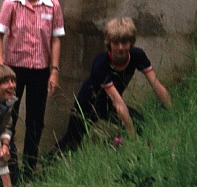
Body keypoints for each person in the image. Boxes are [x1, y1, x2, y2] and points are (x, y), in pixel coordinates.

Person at [0, 0, 65, 183]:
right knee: (8, 119)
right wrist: (1, 66)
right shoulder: (11, 3)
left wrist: (54, 70)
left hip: (40, 71)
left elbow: (56, 39)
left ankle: (29, 170)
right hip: (14, 71)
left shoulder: (53, 5)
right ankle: (8, 168)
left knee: (36, 121)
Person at [54, 17, 171, 152]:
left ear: (131, 42)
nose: (120, 47)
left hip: (109, 105)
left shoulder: (138, 55)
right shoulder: (101, 63)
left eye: (124, 42)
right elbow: (118, 102)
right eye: (115, 42)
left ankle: (131, 153)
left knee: (140, 124)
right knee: (71, 143)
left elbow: (156, 85)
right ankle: (45, 166)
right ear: (109, 43)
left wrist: (172, 112)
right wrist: (132, 135)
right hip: (87, 104)